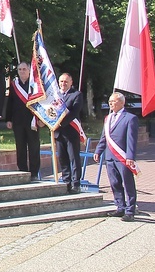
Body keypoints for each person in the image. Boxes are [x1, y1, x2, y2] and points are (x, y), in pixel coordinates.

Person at [94, 92, 140, 222]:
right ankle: (120, 207)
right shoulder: (108, 118)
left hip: (123, 157)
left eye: (113, 101)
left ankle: (130, 211)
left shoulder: (130, 118)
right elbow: (104, 137)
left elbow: (132, 139)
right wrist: (98, 150)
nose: (110, 104)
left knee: (128, 183)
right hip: (110, 157)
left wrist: (130, 157)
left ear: (121, 102)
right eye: (109, 101)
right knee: (114, 183)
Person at [6, 62, 39, 179]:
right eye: (20, 69)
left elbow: (40, 103)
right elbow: (10, 103)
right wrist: (8, 119)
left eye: (24, 69)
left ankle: (34, 172)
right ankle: (23, 171)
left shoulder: (34, 85)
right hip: (18, 121)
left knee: (33, 147)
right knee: (20, 147)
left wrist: (40, 119)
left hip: (32, 121)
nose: (22, 71)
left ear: (29, 70)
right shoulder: (14, 85)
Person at [55, 73, 84, 194]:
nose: (63, 84)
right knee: (63, 158)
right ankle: (66, 181)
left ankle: (76, 183)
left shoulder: (76, 95)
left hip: (71, 132)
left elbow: (74, 112)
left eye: (66, 82)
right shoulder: (55, 95)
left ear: (71, 82)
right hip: (58, 133)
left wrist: (60, 123)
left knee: (74, 158)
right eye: (61, 81)